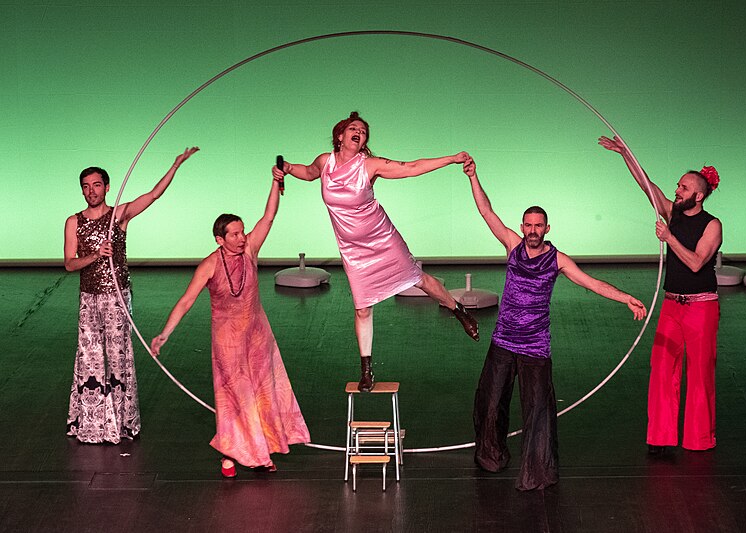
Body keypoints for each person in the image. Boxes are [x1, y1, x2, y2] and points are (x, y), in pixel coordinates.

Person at [463, 158, 647, 490]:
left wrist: (626, 298)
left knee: (537, 411)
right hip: (504, 340)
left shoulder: (558, 259)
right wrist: (474, 177)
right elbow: (486, 212)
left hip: (535, 345)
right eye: (528, 225)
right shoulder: (512, 245)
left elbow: (591, 283)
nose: (532, 231)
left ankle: (538, 472)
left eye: (538, 226)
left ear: (547, 228)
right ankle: (490, 456)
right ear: (522, 227)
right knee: (490, 401)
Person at [272, 111, 479, 392]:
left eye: (364, 131)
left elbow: (411, 167)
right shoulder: (325, 161)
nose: (359, 133)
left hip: (382, 239)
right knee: (362, 308)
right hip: (353, 251)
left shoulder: (369, 166)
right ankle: (367, 369)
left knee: (419, 280)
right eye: (354, 129)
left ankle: (458, 310)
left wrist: (450, 158)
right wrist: (285, 167)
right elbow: (307, 173)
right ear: (340, 135)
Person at [150, 173, 310, 477]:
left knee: (263, 394)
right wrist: (164, 335)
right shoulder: (209, 265)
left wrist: (275, 182)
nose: (242, 237)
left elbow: (269, 216)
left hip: (258, 335)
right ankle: (236, 454)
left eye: (242, 232)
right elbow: (185, 301)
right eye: (234, 234)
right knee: (236, 397)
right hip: (228, 341)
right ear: (219, 239)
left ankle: (259, 451)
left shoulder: (250, 251)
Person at [64, 147, 198, 444]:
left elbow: (153, 195)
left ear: (107, 187)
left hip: (117, 297)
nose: (91, 191)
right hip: (88, 298)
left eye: (96, 185)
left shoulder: (119, 216)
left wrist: (175, 164)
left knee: (118, 356)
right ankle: (92, 423)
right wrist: (95, 255)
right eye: (86, 186)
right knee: (90, 359)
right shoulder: (74, 221)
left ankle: (121, 422)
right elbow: (69, 263)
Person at [599, 135, 722, 454]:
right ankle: (661, 437)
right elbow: (646, 185)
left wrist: (669, 237)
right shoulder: (673, 212)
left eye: (682, 187)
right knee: (662, 369)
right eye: (678, 186)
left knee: (700, 375)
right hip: (672, 305)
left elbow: (696, 263)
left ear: (698, 194)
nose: (676, 190)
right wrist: (625, 152)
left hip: (701, 307)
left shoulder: (712, 225)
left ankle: (699, 440)